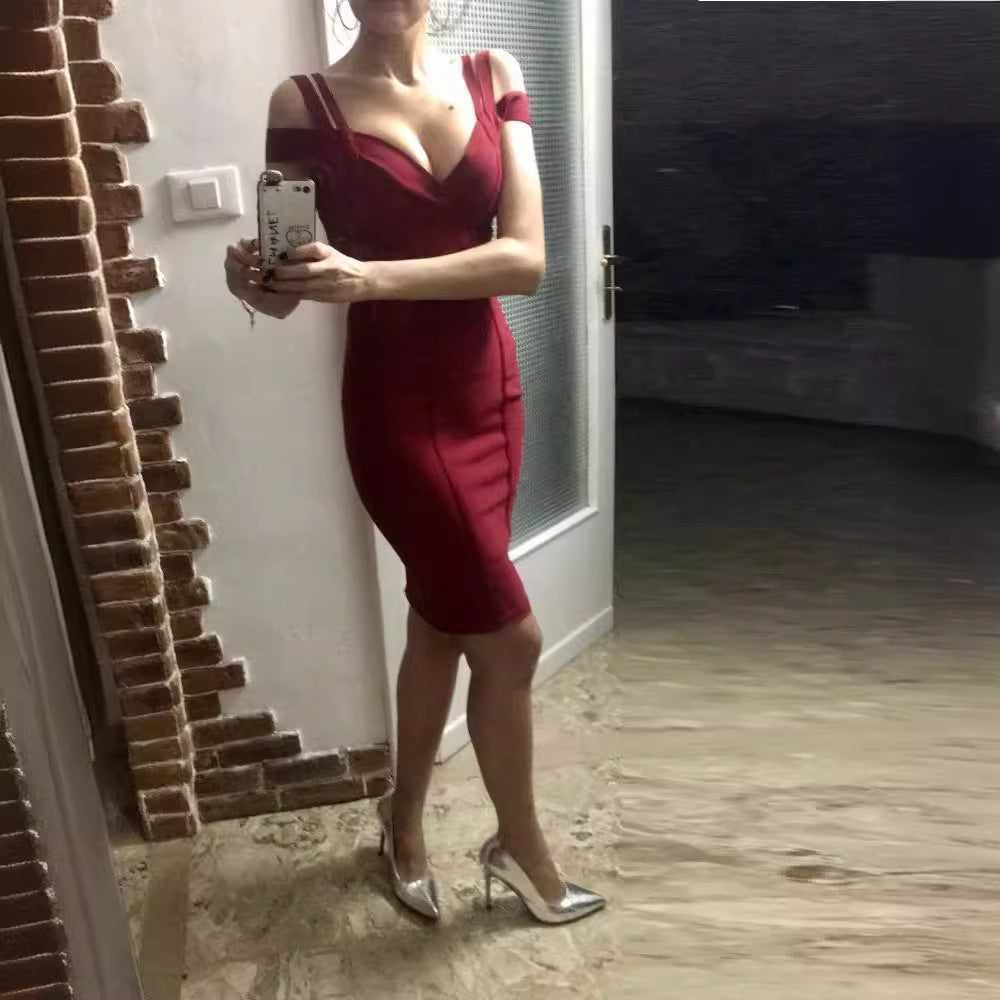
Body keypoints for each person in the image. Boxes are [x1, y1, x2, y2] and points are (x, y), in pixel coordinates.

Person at [223, 0, 604, 926]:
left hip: (489, 391)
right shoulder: (302, 102)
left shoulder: (496, 76)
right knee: (511, 639)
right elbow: (284, 291)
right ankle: (521, 849)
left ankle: (401, 825)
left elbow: (525, 261)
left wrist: (369, 276)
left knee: (441, 622)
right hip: (395, 406)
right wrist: (254, 281)